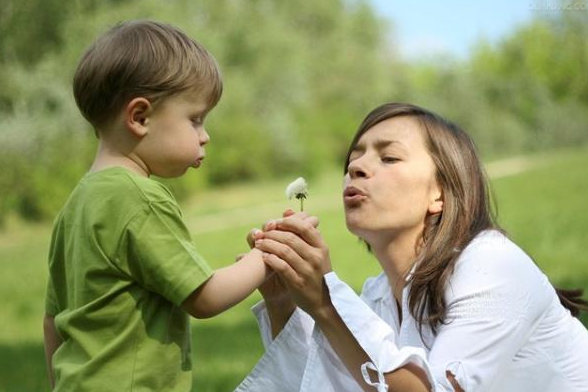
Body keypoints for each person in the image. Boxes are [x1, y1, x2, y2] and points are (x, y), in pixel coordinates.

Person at [235, 103, 588, 392]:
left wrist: (327, 302)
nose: (356, 167)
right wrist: (283, 301)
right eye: (352, 160)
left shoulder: (492, 266)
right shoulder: (378, 294)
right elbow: (330, 384)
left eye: (388, 158)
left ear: (440, 193)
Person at [43, 20, 278, 391]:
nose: (205, 136)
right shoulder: (139, 197)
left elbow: (53, 318)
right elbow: (205, 297)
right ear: (139, 117)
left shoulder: (76, 205)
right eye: (195, 119)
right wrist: (267, 256)